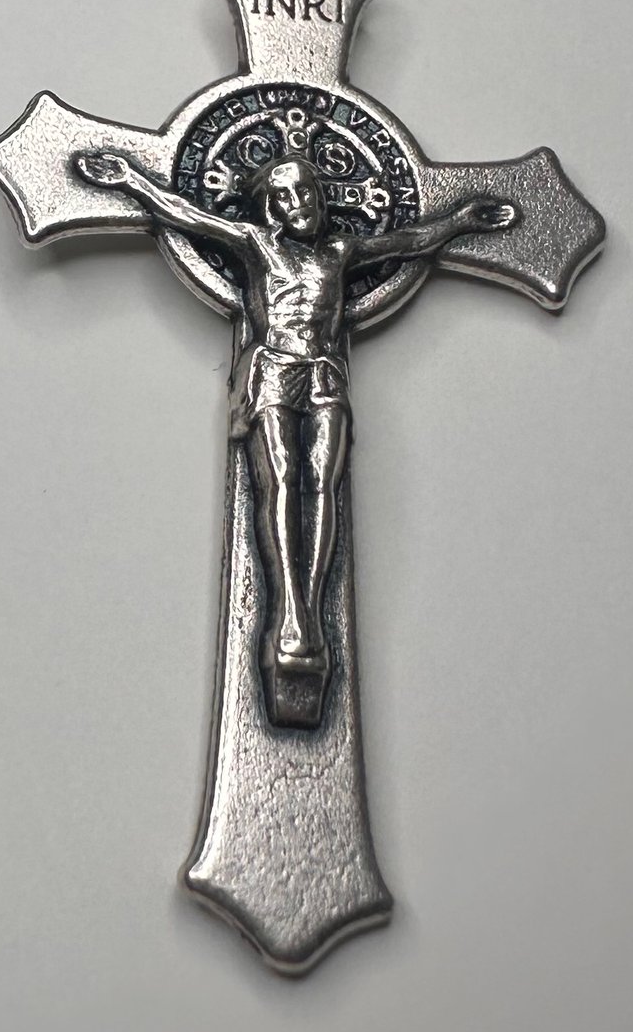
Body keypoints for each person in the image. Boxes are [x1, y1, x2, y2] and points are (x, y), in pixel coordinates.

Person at [74, 148, 516, 724]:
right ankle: (288, 612)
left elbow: (408, 241)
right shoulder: (257, 244)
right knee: (281, 482)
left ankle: (309, 607)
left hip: (325, 372)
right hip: (276, 370)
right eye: (285, 196)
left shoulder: (340, 251)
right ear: (271, 208)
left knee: (323, 485)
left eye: (308, 190)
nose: (300, 202)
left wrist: (458, 221)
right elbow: (187, 215)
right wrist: (133, 180)